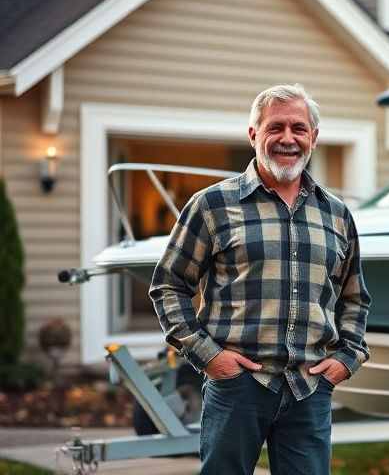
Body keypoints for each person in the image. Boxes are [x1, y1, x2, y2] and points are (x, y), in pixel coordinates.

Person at [149, 84, 370, 475]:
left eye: (299, 129)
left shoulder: (336, 214)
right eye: (275, 127)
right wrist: (209, 357)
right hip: (238, 387)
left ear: (313, 138)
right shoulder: (212, 205)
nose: (288, 138)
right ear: (254, 135)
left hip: (309, 388)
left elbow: (353, 297)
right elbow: (169, 285)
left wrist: (347, 358)